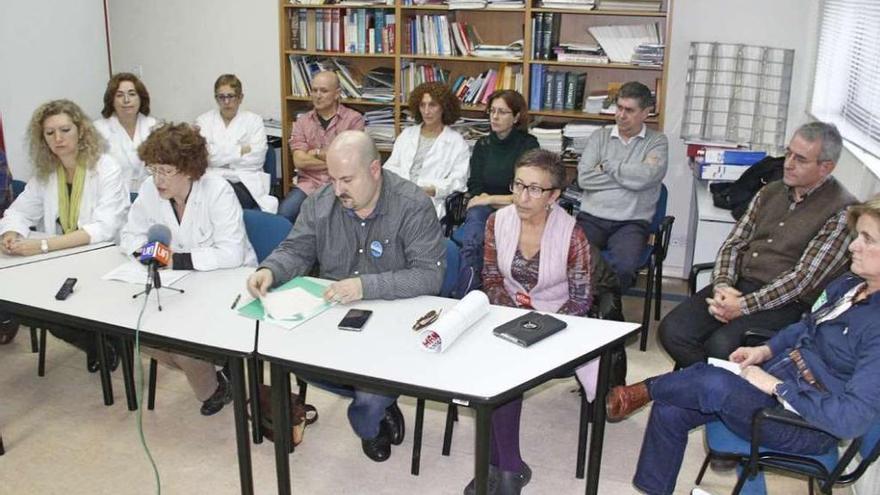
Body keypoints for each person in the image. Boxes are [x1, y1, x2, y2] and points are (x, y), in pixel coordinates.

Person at [607, 196, 880, 495]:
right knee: (671, 408)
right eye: (858, 236)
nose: (853, 246)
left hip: (804, 422)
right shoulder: (847, 286)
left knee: (713, 383)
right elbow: (804, 326)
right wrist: (764, 351)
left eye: (867, 239)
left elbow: (850, 420)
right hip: (780, 378)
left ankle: (644, 389)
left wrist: (776, 386)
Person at [246, 130, 445, 462]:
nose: (338, 190)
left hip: (392, 323)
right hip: (335, 321)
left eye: (347, 179)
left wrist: (366, 286)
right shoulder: (320, 203)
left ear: (374, 170)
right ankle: (381, 399)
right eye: (333, 178)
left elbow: (430, 276)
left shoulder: (412, 205)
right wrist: (270, 270)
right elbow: (296, 249)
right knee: (286, 357)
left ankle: (372, 414)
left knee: (367, 398)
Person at [659, 122, 857, 369]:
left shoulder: (842, 211)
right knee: (672, 331)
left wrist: (742, 306)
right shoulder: (770, 191)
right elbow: (734, 243)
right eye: (789, 153)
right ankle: (702, 387)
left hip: (788, 304)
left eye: (801, 159)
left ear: (826, 167)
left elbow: (802, 280)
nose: (788, 163)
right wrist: (723, 286)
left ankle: (703, 388)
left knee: (721, 347)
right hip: (740, 286)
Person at [473, 149, 592, 495]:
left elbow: (582, 298)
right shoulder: (498, 221)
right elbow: (492, 278)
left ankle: (502, 468)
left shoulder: (572, 234)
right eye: (519, 185)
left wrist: (541, 328)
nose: (523, 197)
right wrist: (514, 318)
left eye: (535, 190)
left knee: (507, 370)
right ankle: (504, 466)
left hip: (558, 322)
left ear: (554, 196)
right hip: (505, 313)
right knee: (485, 364)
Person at [120, 122, 256, 415]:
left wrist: (177, 260)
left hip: (227, 283)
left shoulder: (217, 190)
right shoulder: (148, 189)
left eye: (166, 171)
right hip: (178, 284)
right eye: (153, 169)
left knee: (182, 342)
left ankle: (211, 382)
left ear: (189, 168)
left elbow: (230, 253)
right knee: (140, 334)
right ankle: (213, 373)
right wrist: (153, 254)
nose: (158, 179)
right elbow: (130, 236)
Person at [0, 99, 129, 369]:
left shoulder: (106, 167)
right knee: (33, 305)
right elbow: (19, 212)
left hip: (103, 257)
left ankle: (106, 341)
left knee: (54, 305)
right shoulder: (47, 174)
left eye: (65, 130)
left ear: (81, 131)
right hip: (61, 257)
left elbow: (103, 229)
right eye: (49, 133)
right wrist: (10, 233)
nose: (57, 138)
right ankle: (97, 344)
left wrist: (44, 245)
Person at [576, 81, 668, 290]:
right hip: (592, 218)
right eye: (619, 108)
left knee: (625, 267)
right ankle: (589, 305)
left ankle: (609, 307)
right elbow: (584, 179)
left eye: (629, 110)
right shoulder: (599, 137)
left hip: (631, 222)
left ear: (646, 112)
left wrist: (607, 166)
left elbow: (647, 177)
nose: (621, 115)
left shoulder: (657, 142)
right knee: (572, 257)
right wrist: (630, 176)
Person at [457, 90, 539, 283]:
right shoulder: (482, 144)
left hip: (519, 209)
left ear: (516, 117)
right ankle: (468, 292)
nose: (495, 116)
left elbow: (527, 192)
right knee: (472, 241)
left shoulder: (528, 145)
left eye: (502, 112)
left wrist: (491, 199)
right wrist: (487, 200)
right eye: (492, 111)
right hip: (486, 207)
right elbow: (475, 185)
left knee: (511, 246)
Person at [277, 71, 365, 223]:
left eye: (324, 91)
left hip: (341, 184)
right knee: (284, 214)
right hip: (309, 184)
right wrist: (335, 159)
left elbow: (351, 160)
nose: (318, 95)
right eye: (314, 90)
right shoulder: (302, 122)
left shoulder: (353, 120)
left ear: (337, 94)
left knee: (342, 221)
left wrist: (315, 153)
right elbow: (299, 161)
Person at [383, 81, 470, 219]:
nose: (426, 111)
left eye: (432, 105)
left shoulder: (456, 142)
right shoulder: (407, 134)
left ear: (444, 107)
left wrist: (433, 189)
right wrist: (401, 186)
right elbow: (390, 167)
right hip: (398, 195)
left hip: (430, 200)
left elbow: (459, 180)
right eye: (422, 105)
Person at [196, 74, 277, 213]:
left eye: (231, 96)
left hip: (245, 182)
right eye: (221, 97)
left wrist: (219, 157)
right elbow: (203, 157)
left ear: (240, 98)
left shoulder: (254, 121)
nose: (226, 102)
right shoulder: (203, 121)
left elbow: (256, 159)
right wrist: (240, 150)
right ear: (216, 98)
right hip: (211, 179)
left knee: (220, 196)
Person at [93, 72, 159, 193]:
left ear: (140, 98)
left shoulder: (153, 126)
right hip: (114, 196)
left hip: (149, 195)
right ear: (111, 100)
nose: (127, 100)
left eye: (132, 94)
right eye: (119, 95)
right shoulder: (98, 130)